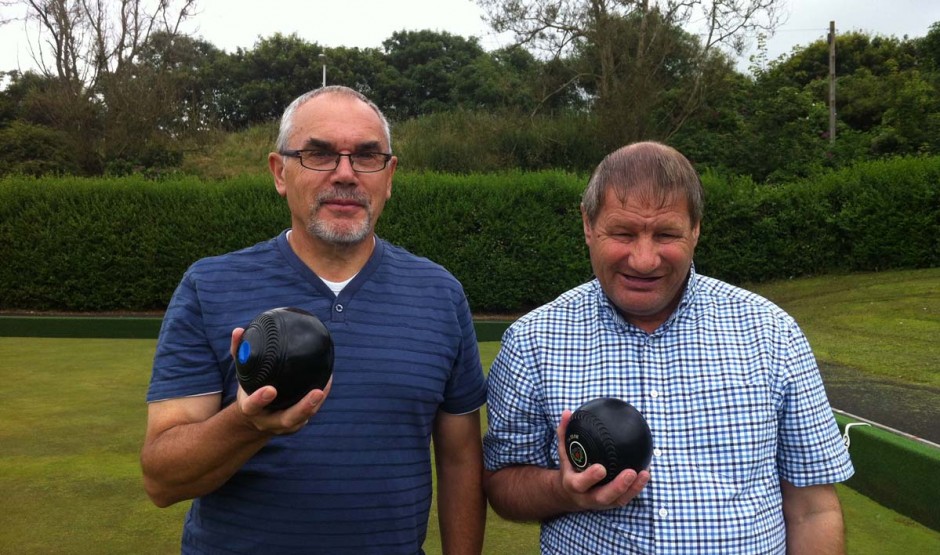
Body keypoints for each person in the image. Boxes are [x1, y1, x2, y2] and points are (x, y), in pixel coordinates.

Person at [141, 85, 487, 554]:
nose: (345, 174)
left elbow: (461, 460)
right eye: (318, 155)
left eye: (367, 156)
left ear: (389, 175)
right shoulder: (210, 285)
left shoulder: (440, 294)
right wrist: (247, 425)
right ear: (279, 172)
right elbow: (162, 480)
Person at [482, 141, 854, 554]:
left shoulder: (771, 333)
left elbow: (813, 510)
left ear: (696, 228)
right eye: (623, 233)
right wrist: (564, 490)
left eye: (666, 234)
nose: (643, 260)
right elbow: (503, 483)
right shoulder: (533, 340)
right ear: (588, 224)